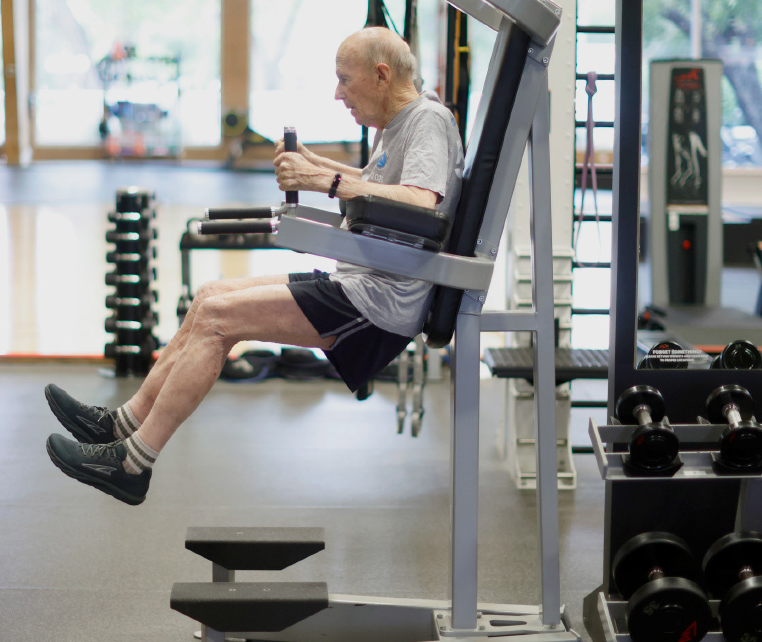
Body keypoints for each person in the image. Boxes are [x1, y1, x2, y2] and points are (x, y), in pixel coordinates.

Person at [43, 26, 465, 505]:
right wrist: (313, 163)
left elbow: (419, 200)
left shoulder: (426, 120)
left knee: (219, 321)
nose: (337, 93)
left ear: (381, 75)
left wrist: (321, 180)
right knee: (209, 298)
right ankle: (121, 423)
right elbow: (375, 184)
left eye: (345, 80)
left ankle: (131, 463)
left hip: (377, 303)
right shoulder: (399, 123)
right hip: (360, 280)